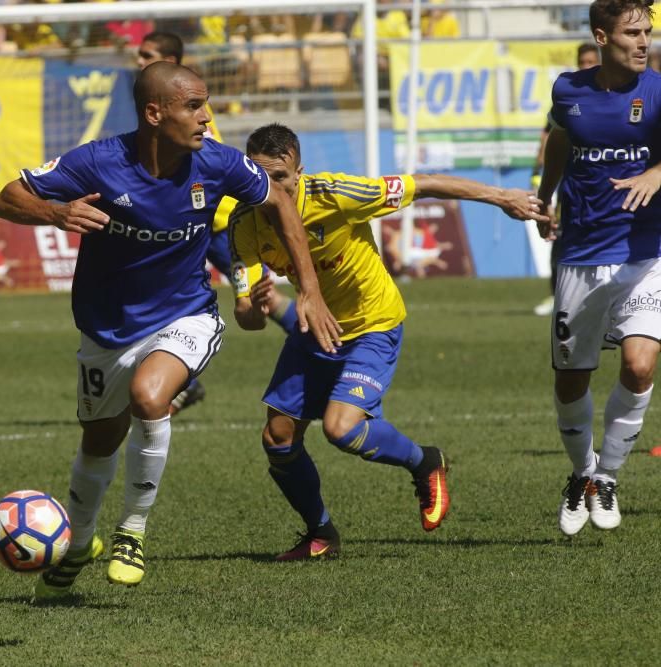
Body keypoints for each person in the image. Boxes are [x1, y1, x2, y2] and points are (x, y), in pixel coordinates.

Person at [0, 63, 340, 597]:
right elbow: (6, 197)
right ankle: (79, 541)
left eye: (206, 105)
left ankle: (132, 531)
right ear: (155, 114)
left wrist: (309, 288)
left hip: (187, 314)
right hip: (105, 328)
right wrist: (55, 212)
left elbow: (279, 201)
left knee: (149, 397)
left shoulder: (217, 162)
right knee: (98, 443)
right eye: (193, 106)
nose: (206, 118)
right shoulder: (98, 162)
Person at [231, 123, 549, 559]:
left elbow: (426, 184)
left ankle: (425, 462)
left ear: (299, 172)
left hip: (372, 323)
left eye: (280, 177)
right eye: (260, 176)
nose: (270, 188)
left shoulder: (335, 193)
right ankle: (320, 533)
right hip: (315, 331)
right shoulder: (243, 220)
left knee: (340, 428)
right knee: (278, 438)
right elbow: (246, 319)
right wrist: (259, 306)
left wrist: (503, 197)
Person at [535, 0, 661, 537]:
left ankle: (608, 475)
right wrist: (546, 198)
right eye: (633, 33)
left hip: (647, 253)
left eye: (648, 33)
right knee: (571, 378)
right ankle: (582, 473)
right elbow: (560, 141)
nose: (644, 43)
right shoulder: (569, 90)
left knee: (638, 365)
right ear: (601, 36)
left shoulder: (657, 90)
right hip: (582, 255)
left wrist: (657, 173)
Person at [137, 31, 299, 415]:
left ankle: (318, 342)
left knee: (257, 297)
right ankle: (183, 384)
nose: (138, 61)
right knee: (156, 299)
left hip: (218, 224)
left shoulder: (188, 113)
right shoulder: (160, 104)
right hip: (196, 227)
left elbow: (205, 166)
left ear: (171, 62)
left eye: (148, 55)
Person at [532, 42, 601, 316]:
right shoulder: (569, 95)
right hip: (571, 182)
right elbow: (549, 136)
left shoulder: (619, 95)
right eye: (581, 62)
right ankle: (556, 295)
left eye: (589, 61)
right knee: (559, 238)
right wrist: (540, 174)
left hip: (606, 186)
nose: (585, 66)